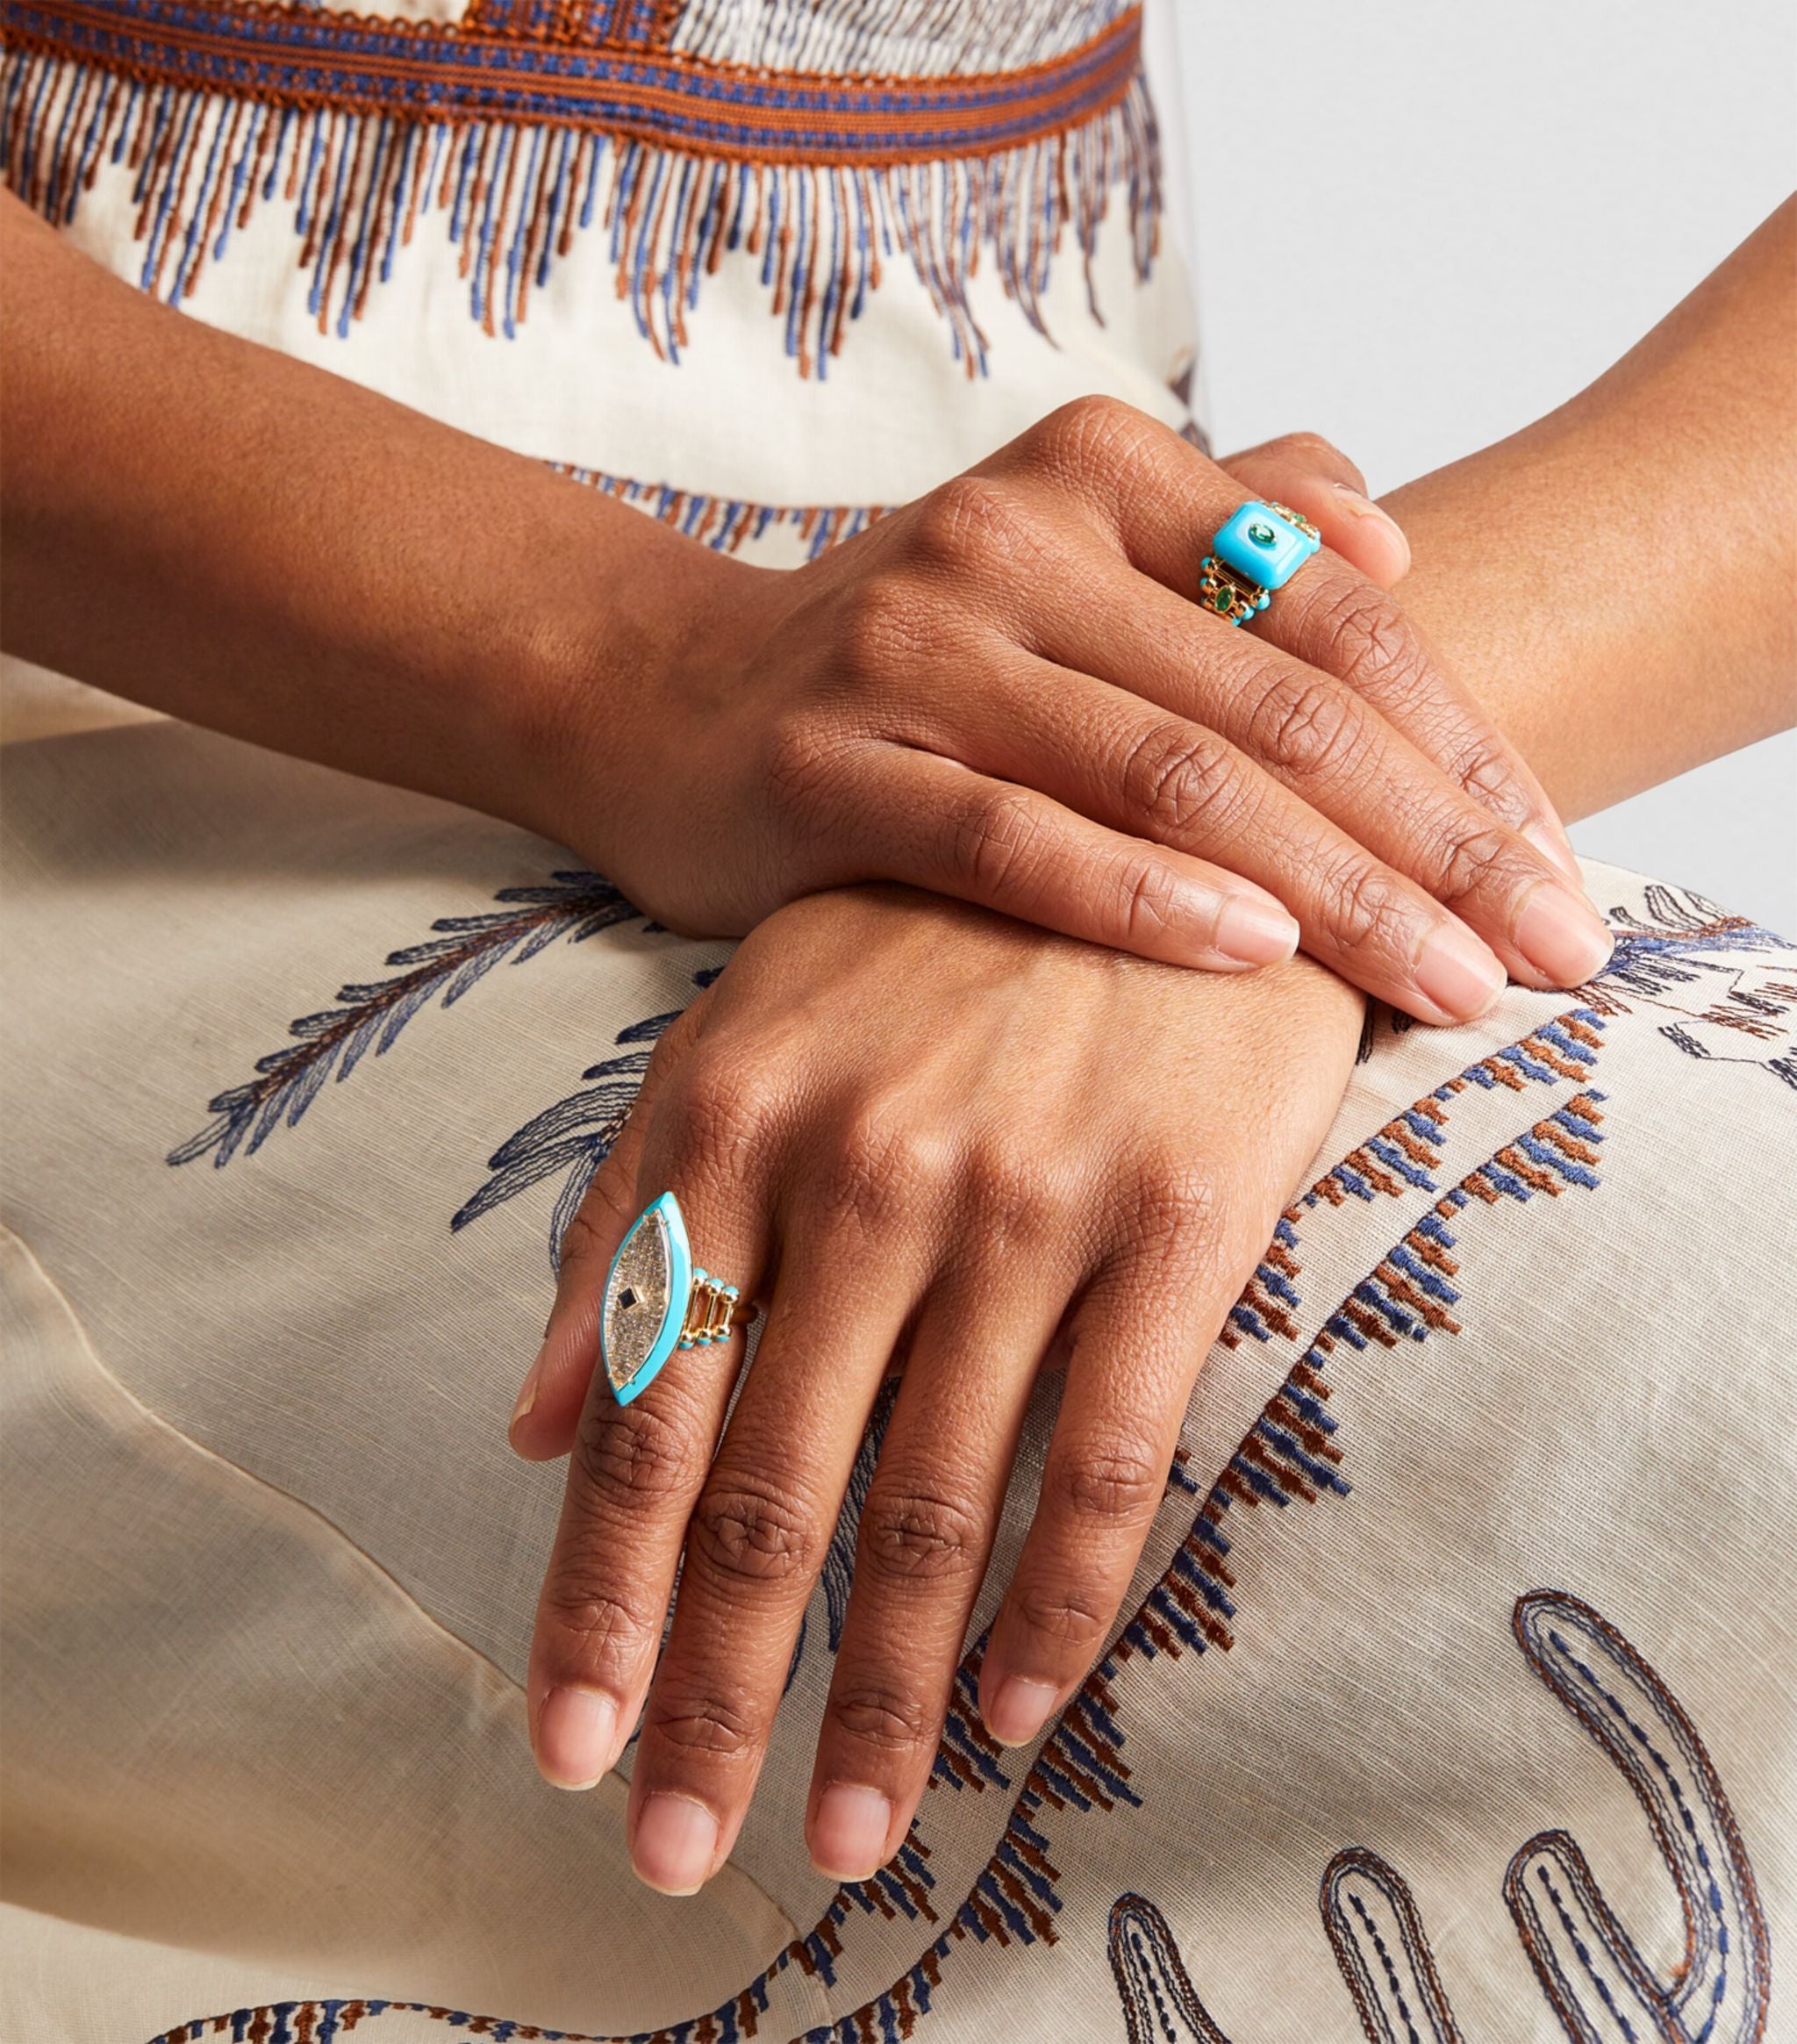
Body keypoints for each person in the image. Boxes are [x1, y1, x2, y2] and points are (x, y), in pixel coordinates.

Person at [0, 3, 1791, 2038]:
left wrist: (1225, 787)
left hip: (1031, 614)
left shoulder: (1153, 738)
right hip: (119, 710)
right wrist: (641, 662)